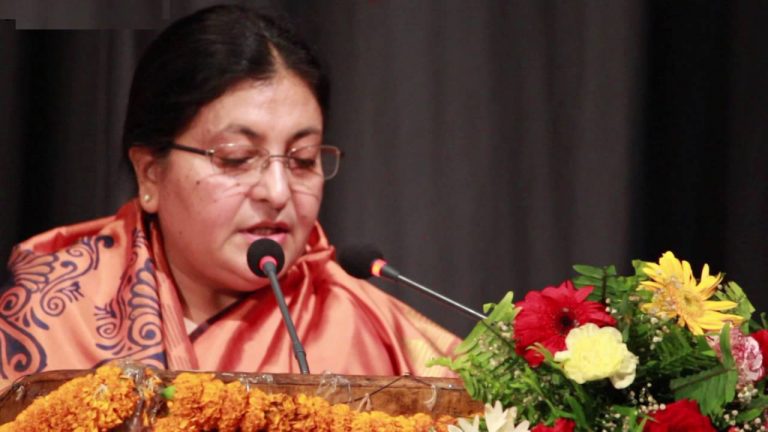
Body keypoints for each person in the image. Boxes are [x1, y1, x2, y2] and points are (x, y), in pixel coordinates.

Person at [0, 5, 459, 385]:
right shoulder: (52, 316)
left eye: (302, 159)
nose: (278, 192)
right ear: (150, 174)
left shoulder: (369, 329)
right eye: (237, 158)